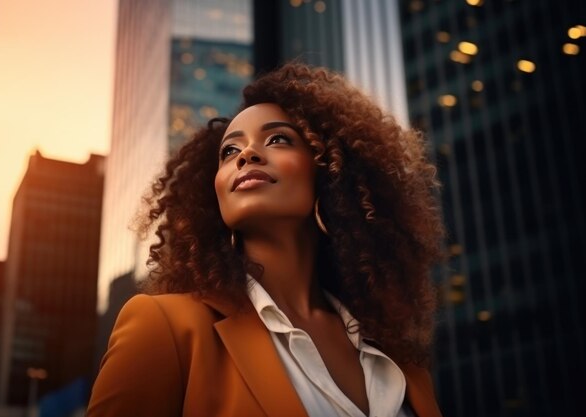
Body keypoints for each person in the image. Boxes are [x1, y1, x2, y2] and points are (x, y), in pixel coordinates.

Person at [87, 63, 445, 417]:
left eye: (278, 139)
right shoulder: (165, 327)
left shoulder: (402, 367)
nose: (247, 155)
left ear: (329, 173)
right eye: (229, 151)